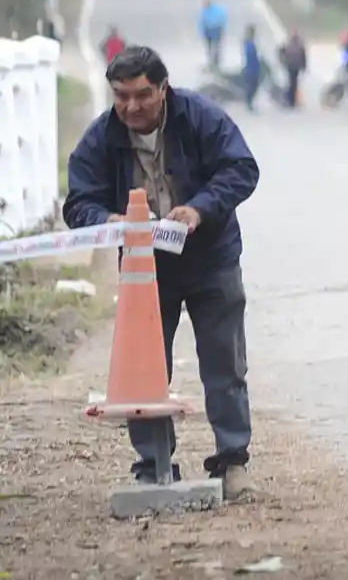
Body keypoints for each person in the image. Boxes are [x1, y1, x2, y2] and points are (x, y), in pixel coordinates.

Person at [62, 46, 260, 496]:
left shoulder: (201, 117)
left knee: (224, 363)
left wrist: (200, 209)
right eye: (121, 96)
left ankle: (232, 461)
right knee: (146, 370)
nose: (132, 107)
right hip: (144, 273)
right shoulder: (102, 136)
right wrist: (106, 220)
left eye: (143, 95)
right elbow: (78, 201)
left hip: (211, 258)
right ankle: (153, 464)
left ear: (163, 89)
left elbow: (242, 168)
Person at [278, 28, 307, 109]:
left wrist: (282, 61)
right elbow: (303, 56)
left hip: (291, 66)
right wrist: (304, 66)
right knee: (293, 84)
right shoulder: (298, 43)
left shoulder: (289, 43)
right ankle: (291, 101)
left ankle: (291, 101)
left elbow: (281, 51)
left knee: (292, 84)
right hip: (294, 66)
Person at [199, 0, 228, 70]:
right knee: (209, 47)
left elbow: (222, 20)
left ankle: (216, 62)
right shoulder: (205, 10)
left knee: (216, 47)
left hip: (215, 30)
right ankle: (211, 61)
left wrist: (222, 30)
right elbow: (202, 21)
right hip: (209, 31)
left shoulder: (217, 10)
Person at [242, 25, 262, 112]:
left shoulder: (249, 43)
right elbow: (251, 56)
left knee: (253, 86)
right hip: (252, 69)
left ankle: (249, 101)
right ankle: (249, 102)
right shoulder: (249, 44)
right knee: (252, 86)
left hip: (253, 68)